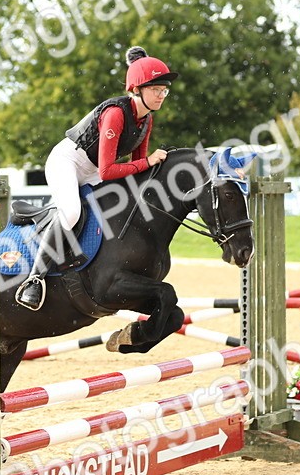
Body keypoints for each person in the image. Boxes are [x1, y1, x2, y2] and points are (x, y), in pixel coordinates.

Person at [15, 46, 178, 310]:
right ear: (137, 89)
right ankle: (34, 280)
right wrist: (147, 162)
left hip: (92, 169)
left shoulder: (146, 120)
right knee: (70, 213)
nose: (161, 95)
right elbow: (108, 171)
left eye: (164, 90)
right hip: (67, 161)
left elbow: (138, 165)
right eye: (156, 90)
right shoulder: (115, 114)